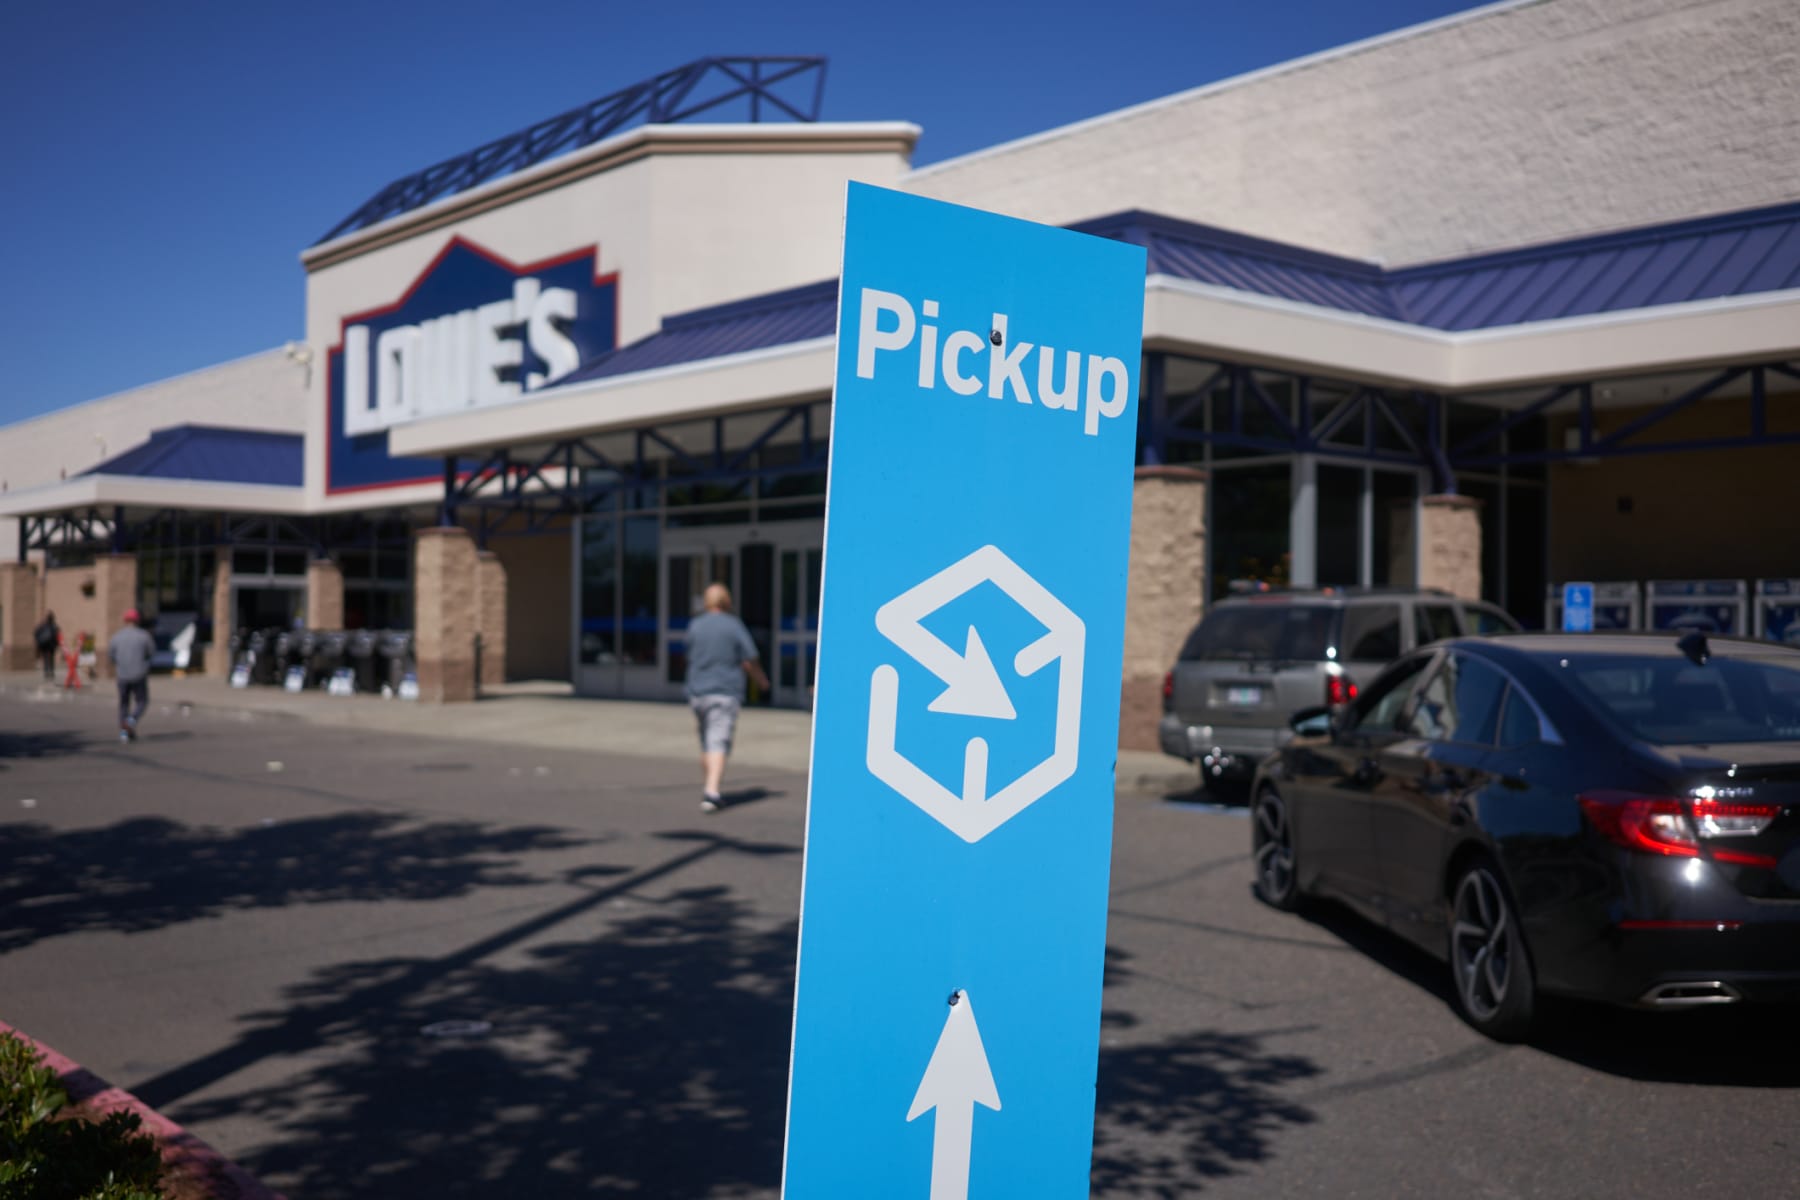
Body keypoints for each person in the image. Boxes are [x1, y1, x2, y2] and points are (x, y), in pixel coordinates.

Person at [684, 582, 770, 813]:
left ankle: (709, 784)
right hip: (724, 691)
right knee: (718, 741)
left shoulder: (696, 625)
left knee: (706, 741)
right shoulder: (733, 626)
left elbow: (689, 654)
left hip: (697, 692)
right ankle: (711, 792)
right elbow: (751, 656)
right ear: (727, 601)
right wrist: (761, 679)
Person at [108, 609, 156, 742]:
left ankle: (124, 732)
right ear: (137, 621)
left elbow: (111, 655)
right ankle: (131, 721)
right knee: (142, 701)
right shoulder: (144, 635)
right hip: (139, 674)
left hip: (122, 675)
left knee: (124, 703)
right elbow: (151, 653)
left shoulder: (117, 636)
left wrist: (119, 664)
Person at [33, 611, 60, 680]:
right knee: (50, 658)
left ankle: (48, 671)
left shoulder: (44, 625)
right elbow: (58, 636)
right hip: (49, 645)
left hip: (46, 645)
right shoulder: (53, 626)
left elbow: (36, 633)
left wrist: (39, 641)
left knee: (47, 658)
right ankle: (49, 671)